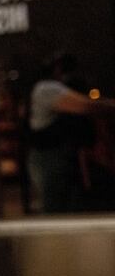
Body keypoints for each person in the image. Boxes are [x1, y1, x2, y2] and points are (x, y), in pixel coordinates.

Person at [26, 52, 115, 212]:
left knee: (64, 208)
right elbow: (87, 106)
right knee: (56, 211)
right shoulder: (46, 87)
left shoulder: (48, 87)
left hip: (54, 155)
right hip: (50, 156)